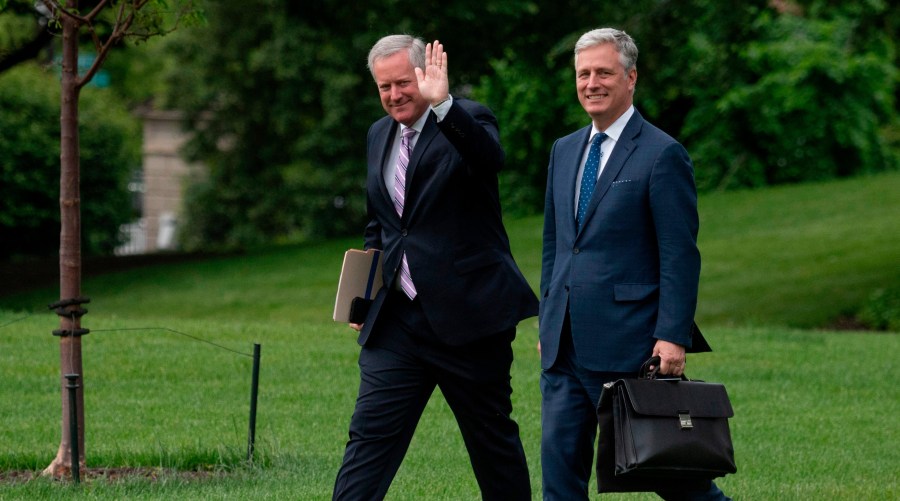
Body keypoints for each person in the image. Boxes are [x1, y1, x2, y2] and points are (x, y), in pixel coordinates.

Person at [332, 34, 539, 501]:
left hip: (470, 320)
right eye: (384, 87)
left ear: (424, 76)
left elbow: (489, 159)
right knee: (368, 439)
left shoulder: (469, 119)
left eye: (403, 83)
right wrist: (362, 295)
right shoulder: (377, 134)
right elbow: (381, 225)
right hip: (398, 324)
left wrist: (444, 106)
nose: (394, 95)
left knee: (491, 444)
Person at [538, 28, 731, 500]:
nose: (591, 83)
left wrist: (673, 335)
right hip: (563, 345)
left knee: (674, 476)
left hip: (630, 344)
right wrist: (547, 321)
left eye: (603, 72)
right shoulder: (565, 150)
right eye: (583, 74)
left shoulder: (662, 154)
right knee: (559, 473)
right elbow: (555, 246)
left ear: (631, 78)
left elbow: (680, 255)